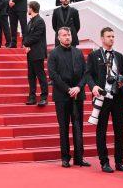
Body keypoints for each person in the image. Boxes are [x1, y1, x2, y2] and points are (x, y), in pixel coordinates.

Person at [84, 27, 123, 173]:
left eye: (113, 36)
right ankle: (104, 161)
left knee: (119, 131)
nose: (111, 39)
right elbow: (88, 75)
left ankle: (119, 162)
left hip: (118, 97)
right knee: (101, 130)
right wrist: (93, 87)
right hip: (102, 96)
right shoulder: (94, 55)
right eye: (109, 36)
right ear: (102, 39)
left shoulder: (119, 56)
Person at [47, 26, 89, 168]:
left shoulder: (78, 52)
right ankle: (65, 158)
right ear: (59, 38)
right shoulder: (53, 54)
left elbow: (86, 73)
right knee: (63, 127)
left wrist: (78, 87)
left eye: (69, 34)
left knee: (78, 127)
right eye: (64, 35)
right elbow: (53, 75)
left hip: (78, 94)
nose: (67, 37)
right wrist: (68, 89)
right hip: (61, 96)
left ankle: (79, 158)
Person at [22, 1, 48, 106]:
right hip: (31, 52)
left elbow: (36, 36)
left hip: (38, 53)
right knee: (31, 76)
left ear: (32, 8)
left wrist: (25, 44)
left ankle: (44, 97)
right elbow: (27, 35)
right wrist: (26, 45)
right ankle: (32, 97)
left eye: (28, 7)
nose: (27, 9)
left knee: (40, 75)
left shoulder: (39, 21)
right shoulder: (31, 21)